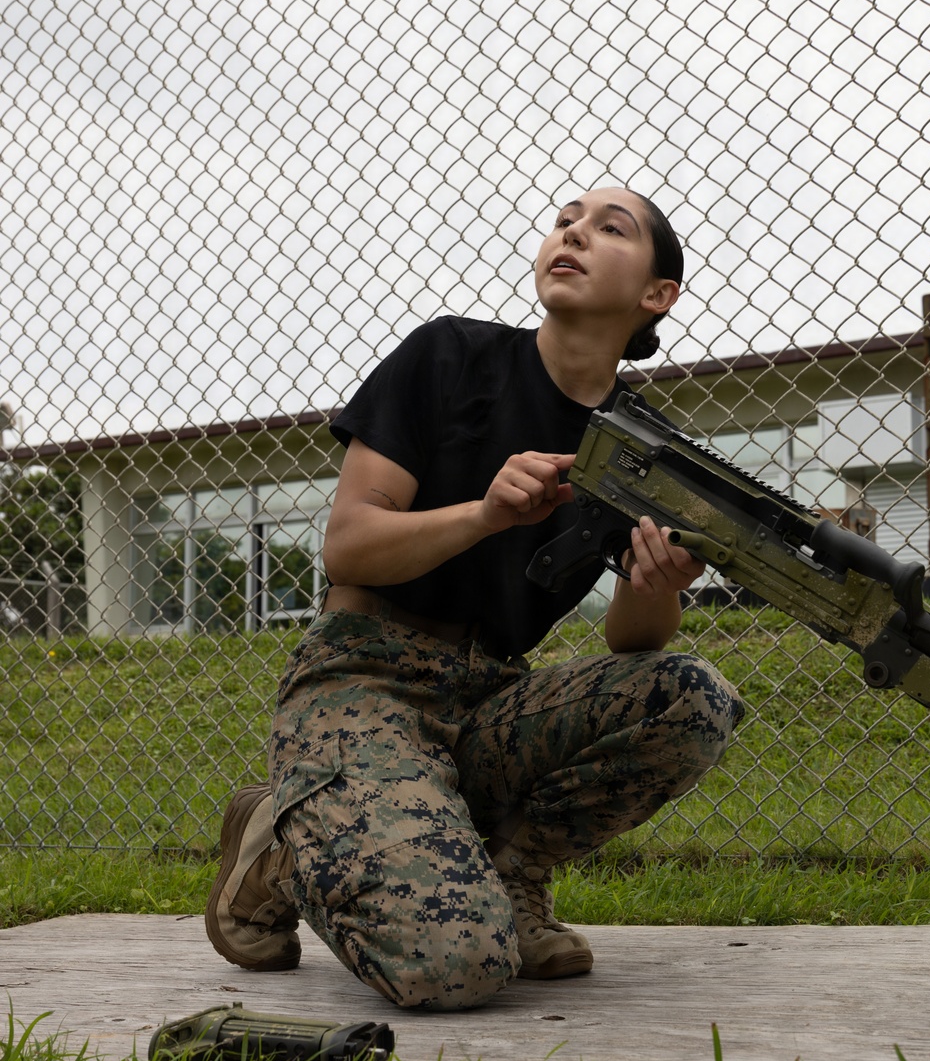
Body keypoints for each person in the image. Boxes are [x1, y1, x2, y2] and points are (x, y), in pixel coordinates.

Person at [204, 187, 744, 1010]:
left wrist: (654, 581)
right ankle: (282, 834)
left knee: (694, 696)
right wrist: (484, 514)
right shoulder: (450, 356)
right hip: (363, 677)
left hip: (488, 693)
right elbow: (347, 544)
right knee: (453, 967)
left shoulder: (640, 446)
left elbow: (635, 643)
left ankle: (512, 875)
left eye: (611, 228)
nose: (574, 233)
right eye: (567, 219)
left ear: (656, 295)